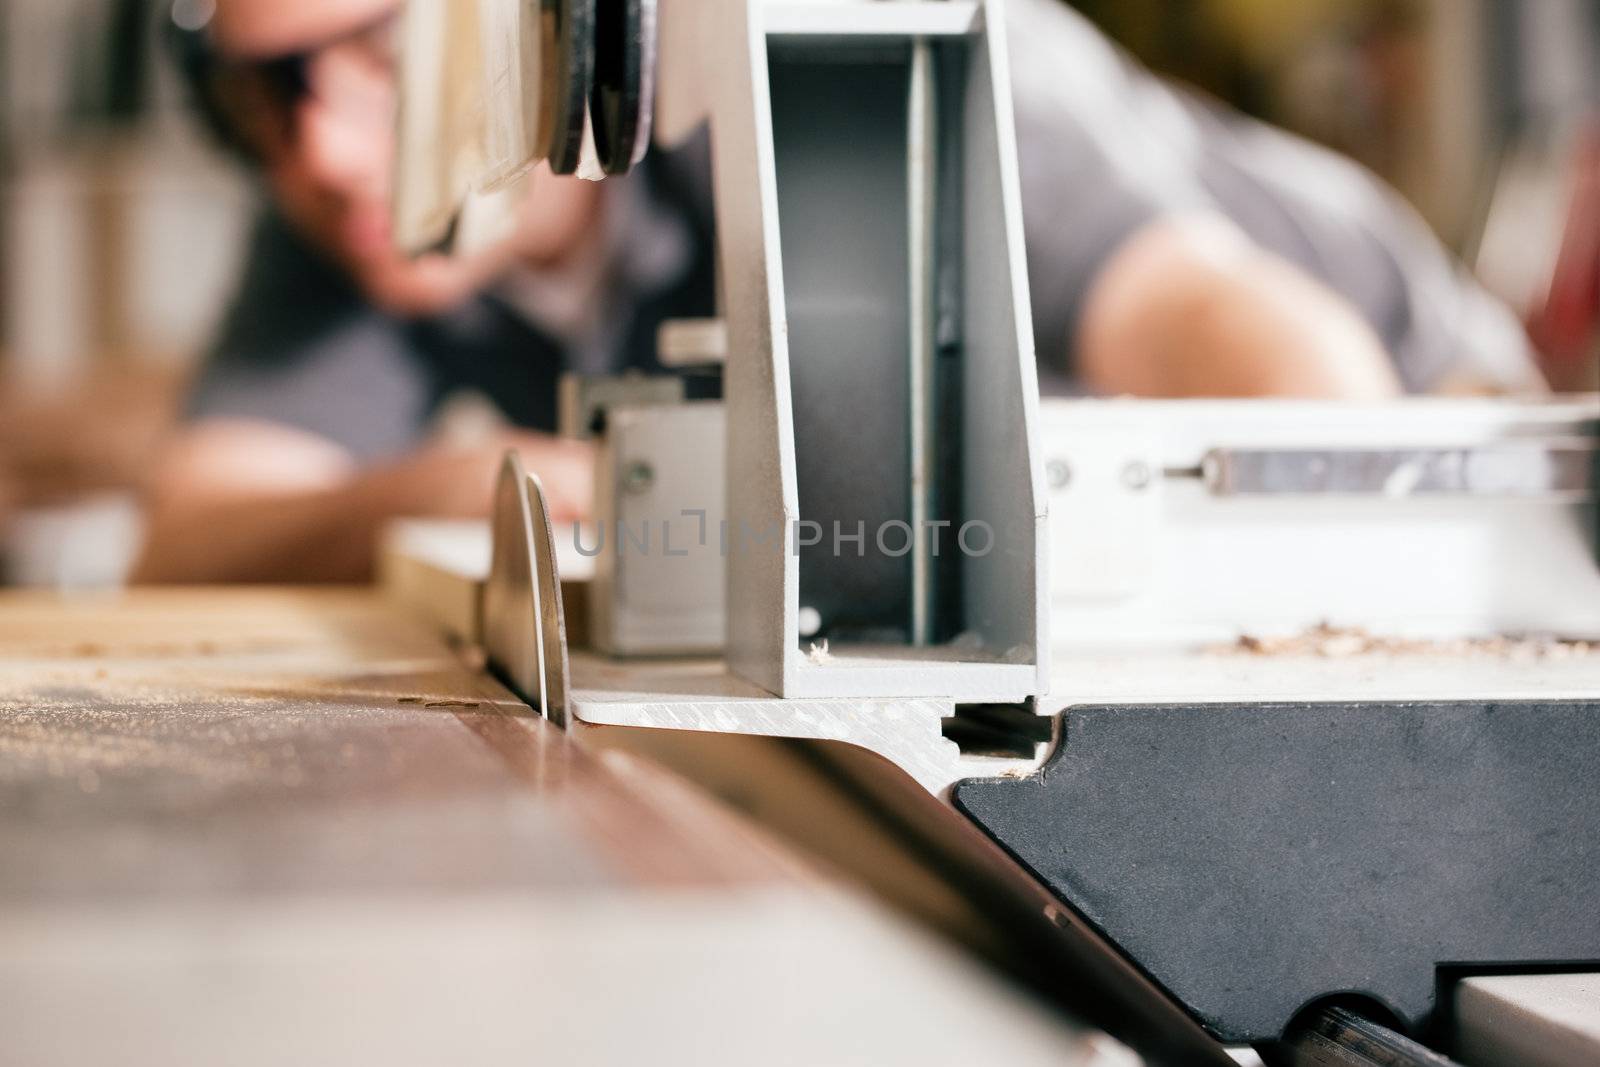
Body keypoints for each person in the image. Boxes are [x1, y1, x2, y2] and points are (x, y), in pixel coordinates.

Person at [133, 0, 1543, 583]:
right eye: (271, 90)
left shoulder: (826, 57)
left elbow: (1273, 359)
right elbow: (192, 531)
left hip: (1453, 457)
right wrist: (477, 492)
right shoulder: (364, 203)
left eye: (382, 52)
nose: (320, 144)